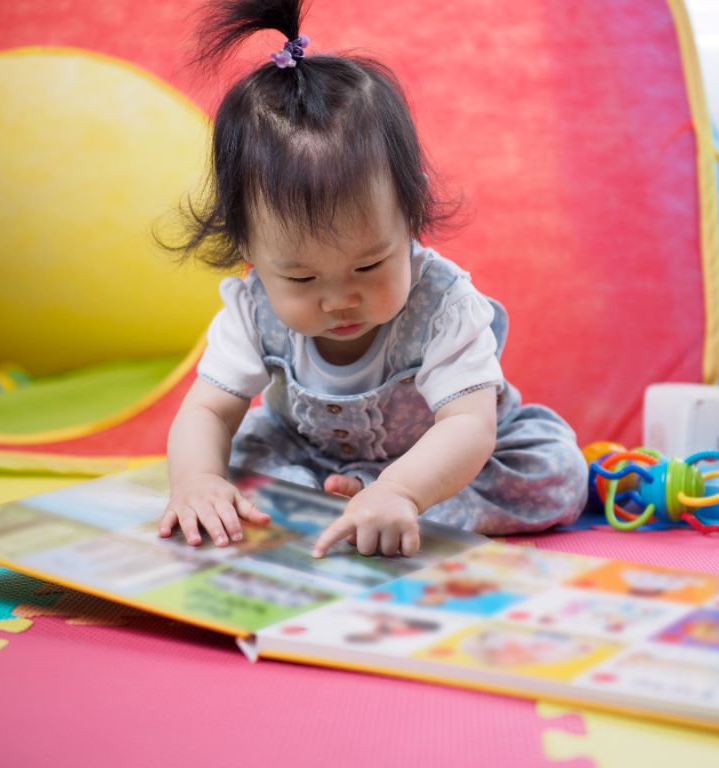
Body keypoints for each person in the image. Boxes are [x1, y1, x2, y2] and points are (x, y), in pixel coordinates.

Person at [158, 0, 588, 558]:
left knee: (555, 473)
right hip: (312, 455)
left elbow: (468, 427)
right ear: (249, 251)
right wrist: (196, 483)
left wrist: (401, 490)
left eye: (368, 266)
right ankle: (346, 500)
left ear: (409, 219)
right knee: (241, 463)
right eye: (302, 277)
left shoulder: (443, 304)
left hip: (445, 462)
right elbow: (208, 410)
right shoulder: (251, 307)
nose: (340, 299)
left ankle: (376, 506)